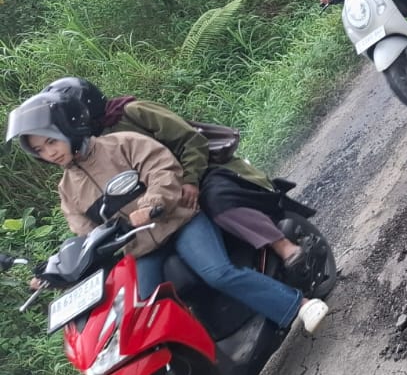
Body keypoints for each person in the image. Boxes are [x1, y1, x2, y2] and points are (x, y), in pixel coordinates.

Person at [5, 91, 328, 334]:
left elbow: (162, 169)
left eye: (51, 143)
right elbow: (83, 233)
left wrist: (152, 204)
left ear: (68, 129)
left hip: (180, 222)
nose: (50, 153)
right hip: (142, 249)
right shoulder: (67, 189)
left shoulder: (121, 144)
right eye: (40, 150)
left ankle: (299, 305)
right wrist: (57, 272)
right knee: (143, 310)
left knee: (217, 272)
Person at [42, 77, 309, 274]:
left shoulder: (132, 113)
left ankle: (282, 245)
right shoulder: (88, 148)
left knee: (216, 200)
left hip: (199, 171)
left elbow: (191, 140)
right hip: (159, 204)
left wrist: (189, 180)